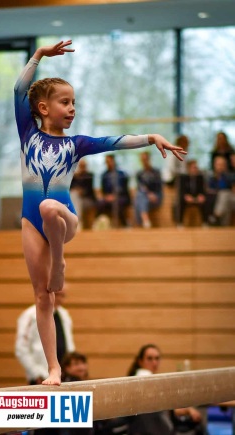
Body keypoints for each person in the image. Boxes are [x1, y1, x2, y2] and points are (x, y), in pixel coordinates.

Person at [14, 39, 187, 385]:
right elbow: (19, 90)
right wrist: (37, 56)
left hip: (65, 221)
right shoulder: (27, 134)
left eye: (74, 102)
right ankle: (54, 368)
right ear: (44, 108)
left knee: (50, 205)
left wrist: (151, 137)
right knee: (41, 297)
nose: (72, 108)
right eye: (65, 102)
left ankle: (59, 261)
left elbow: (114, 141)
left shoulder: (75, 143)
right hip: (32, 224)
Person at [127, 344, 206, 435]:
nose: (154, 362)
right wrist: (188, 410)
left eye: (157, 358)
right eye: (149, 358)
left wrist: (187, 409)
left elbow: (164, 407)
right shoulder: (143, 376)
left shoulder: (150, 378)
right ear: (140, 361)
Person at [15, 286, 75, 384]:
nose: (60, 298)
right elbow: (21, 349)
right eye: (58, 294)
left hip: (64, 375)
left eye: (63, 295)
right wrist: (36, 373)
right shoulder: (30, 315)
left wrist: (71, 367)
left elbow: (69, 344)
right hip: (41, 375)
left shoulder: (64, 315)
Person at [96, 154, 131, 228]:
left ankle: (125, 224)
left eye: (109, 161)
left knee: (118, 204)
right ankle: (98, 223)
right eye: (106, 162)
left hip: (121, 197)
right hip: (108, 197)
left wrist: (115, 196)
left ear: (113, 161)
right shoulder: (104, 175)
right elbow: (103, 190)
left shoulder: (122, 174)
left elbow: (124, 189)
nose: (108, 163)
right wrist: (106, 197)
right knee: (100, 203)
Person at [174, 160, 208, 226]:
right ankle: (180, 223)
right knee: (180, 201)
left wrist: (201, 196)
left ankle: (205, 222)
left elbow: (203, 190)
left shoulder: (200, 178)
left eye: (196, 167)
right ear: (188, 168)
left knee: (206, 200)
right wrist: (186, 197)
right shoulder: (183, 178)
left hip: (197, 197)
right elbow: (181, 191)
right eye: (194, 167)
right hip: (187, 197)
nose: (196, 169)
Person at [134, 151, 163, 228]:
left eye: (146, 159)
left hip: (156, 196)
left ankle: (142, 223)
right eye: (142, 159)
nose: (144, 161)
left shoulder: (156, 172)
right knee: (140, 196)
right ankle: (145, 220)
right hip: (145, 196)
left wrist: (153, 195)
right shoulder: (139, 173)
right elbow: (141, 187)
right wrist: (148, 194)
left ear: (149, 159)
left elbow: (159, 187)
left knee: (138, 199)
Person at [206, 155, 235, 226]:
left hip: (231, 198)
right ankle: (223, 226)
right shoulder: (211, 177)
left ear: (225, 166)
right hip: (219, 201)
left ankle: (216, 216)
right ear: (214, 165)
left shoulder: (230, 176)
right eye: (218, 164)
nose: (220, 167)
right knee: (225, 203)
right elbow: (208, 190)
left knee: (224, 194)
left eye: (222, 165)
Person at [70, 159, 97, 229]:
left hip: (87, 197)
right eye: (81, 166)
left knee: (80, 202)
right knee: (74, 197)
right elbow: (71, 187)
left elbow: (89, 189)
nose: (82, 167)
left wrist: (82, 192)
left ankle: (78, 219)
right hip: (76, 198)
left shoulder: (89, 175)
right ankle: (77, 220)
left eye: (83, 166)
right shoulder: (75, 176)